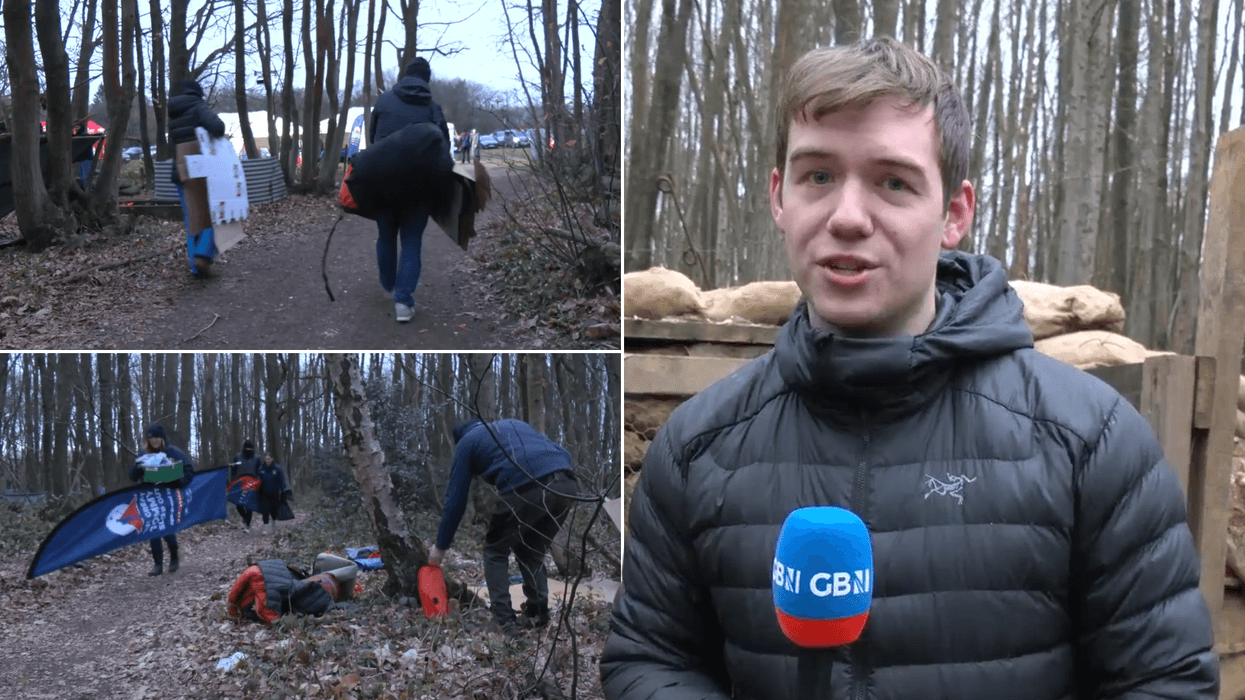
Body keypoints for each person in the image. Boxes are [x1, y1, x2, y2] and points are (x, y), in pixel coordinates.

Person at [600, 37, 1218, 700]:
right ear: (779, 197)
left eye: (892, 182)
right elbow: (649, 660)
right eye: (817, 176)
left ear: (952, 212)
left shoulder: (1091, 441)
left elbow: (1164, 684)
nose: (845, 217)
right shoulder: (697, 447)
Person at [429, 418, 580, 636]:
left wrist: (440, 547)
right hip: (567, 482)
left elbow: (455, 499)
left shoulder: (466, 443)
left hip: (528, 484)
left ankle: (505, 623)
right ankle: (537, 616)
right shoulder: (513, 424)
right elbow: (556, 452)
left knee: (495, 550)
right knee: (531, 551)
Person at [366, 56, 450, 323]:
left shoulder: (384, 102)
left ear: (404, 76)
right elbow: (444, 151)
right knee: (412, 241)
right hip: (419, 189)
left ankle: (388, 282)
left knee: (386, 236)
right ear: (427, 79)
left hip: (384, 184)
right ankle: (403, 301)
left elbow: (372, 139)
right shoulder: (433, 109)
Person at [167, 78, 226, 278]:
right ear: (197, 93)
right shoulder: (198, 106)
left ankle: (195, 265)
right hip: (200, 168)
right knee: (208, 214)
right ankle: (203, 255)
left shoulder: (173, 112)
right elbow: (218, 127)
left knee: (191, 217)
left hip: (180, 170)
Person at [128, 423, 195, 576]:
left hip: (168, 495)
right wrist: (137, 470)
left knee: (166, 526)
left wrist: (178, 482)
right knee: (153, 528)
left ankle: (174, 557)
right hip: (150, 496)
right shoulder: (143, 454)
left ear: (162, 438)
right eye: (151, 438)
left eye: (157, 437)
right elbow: (132, 475)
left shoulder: (173, 452)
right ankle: (157, 564)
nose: (154, 441)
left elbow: (189, 470)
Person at [256, 453, 292, 535]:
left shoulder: (277, 468)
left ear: (272, 459)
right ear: (264, 460)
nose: (267, 461)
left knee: (273, 510)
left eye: (269, 459)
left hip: (274, 493)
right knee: (265, 511)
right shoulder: (261, 469)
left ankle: (274, 526)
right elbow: (257, 481)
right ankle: (265, 529)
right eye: (266, 459)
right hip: (264, 494)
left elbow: (282, 481)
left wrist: (283, 492)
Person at [230, 439, 263, 531]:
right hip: (239, 483)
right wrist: (232, 480)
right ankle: (245, 517)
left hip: (252, 483)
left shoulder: (256, 459)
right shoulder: (237, 457)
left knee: (249, 504)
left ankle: (248, 525)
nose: (248, 450)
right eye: (247, 448)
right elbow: (233, 470)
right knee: (239, 504)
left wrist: (260, 480)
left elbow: (259, 470)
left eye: (250, 448)